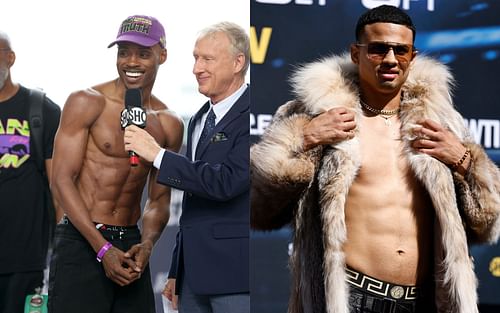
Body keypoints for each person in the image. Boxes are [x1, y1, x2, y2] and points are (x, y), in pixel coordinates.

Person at [251, 5, 500, 313]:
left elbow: (487, 223)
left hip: (429, 300)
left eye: (401, 50)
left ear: (413, 56)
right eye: (379, 49)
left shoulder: (444, 125)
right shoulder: (314, 116)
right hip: (350, 298)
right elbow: (259, 209)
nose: (391, 59)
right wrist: (306, 137)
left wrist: (464, 160)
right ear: (356, 53)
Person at [47, 15, 183, 313]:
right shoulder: (87, 102)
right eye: (124, 52)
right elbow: (61, 180)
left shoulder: (169, 123)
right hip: (82, 240)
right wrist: (102, 248)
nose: (131, 61)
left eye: (143, 53)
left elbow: (159, 199)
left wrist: (146, 245)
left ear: (162, 55)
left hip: (130, 242)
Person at [124, 21, 250, 313]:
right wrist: (176, 271)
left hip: (235, 277)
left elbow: (227, 183)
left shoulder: (254, 112)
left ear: (237, 62)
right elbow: (193, 204)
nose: (196, 68)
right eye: (196, 58)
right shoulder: (198, 119)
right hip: (192, 279)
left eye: (207, 59)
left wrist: (158, 155)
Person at [0, 31, 61, 313]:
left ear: (10, 58)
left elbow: (59, 187)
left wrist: (61, 251)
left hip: (26, 260)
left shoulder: (41, 110)